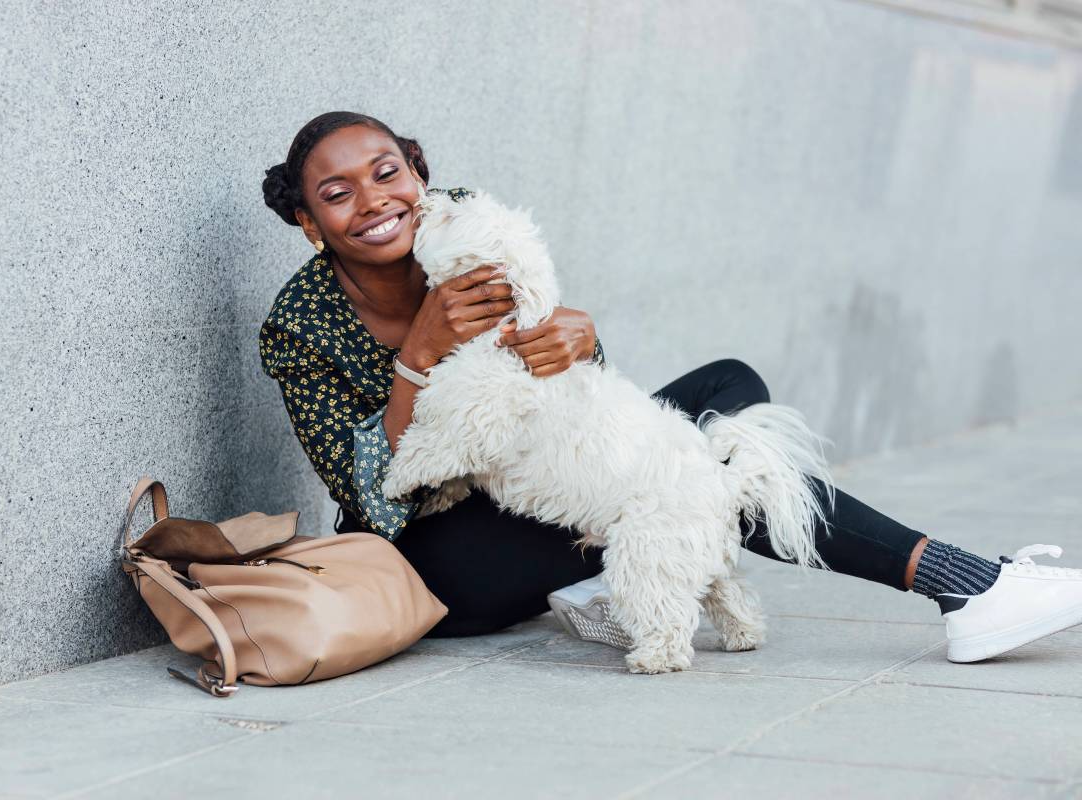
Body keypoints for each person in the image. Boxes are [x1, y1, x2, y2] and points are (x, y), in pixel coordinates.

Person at [258, 111, 1082, 664]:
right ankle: (961, 582)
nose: (375, 202)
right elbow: (375, 497)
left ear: (419, 171)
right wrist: (420, 356)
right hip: (450, 557)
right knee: (696, 470)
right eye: (338, 195)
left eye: (387, 172)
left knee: (727, 392)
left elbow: (568, 400)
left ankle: (613, 573)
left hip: (543, 485)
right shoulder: (299, 323)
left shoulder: (464, 224)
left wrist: (580, 340)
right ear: (308, 221)